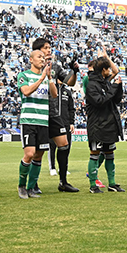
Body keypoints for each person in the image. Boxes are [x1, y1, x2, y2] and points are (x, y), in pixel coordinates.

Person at [33, 38, 78, 193]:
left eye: (50, 47)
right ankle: (33, 183)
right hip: (38, 112)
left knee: (64, 144)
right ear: (37, 51)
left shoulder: (56, 67)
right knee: (37, 151)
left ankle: (63, 182)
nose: (49, 50)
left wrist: (74, 71)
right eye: (46, 48)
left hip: (53, 112)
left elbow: (70, 82)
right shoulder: (31, 66)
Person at [16, 48, 57, 198]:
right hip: (29, 121)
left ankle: (31, 187)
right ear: (31, 60)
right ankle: (21, 185)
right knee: (29, 154)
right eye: (39, 57)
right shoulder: (24, 75)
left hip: (43, 121)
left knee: (38, 155)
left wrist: (49, 78)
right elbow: (26, 91)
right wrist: (41, 79)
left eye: (43, 57)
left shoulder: (46, 77)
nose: (42, 59)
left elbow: (54, 94)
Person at [85, 56, 125, 193]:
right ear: (104, 70)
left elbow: (116, 100)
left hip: (109, 125)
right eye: (108, 69)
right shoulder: (91, 85)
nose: (110, 71)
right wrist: (113, 87)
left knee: (110, 154)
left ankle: (112, 183)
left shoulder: (105, 83)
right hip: (97, 126)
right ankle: (92, 185)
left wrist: (118, 87)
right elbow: (100, 101)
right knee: (95, 153)